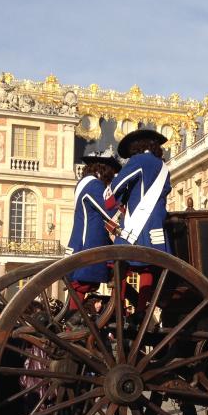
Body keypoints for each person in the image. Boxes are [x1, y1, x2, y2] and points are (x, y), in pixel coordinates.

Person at [104, 129, 171, 313]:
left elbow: (118, 185)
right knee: (148, 268)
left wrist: (110, 201)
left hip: (136, 224)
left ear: (136, 147)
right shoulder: (163, 167)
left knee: (121, 263)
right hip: (156, 225)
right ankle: (142, 311)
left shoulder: (139, 161)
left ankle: (117, 308)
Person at [66, 154, 121, 296]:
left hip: (82, 242)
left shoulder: (83, 184)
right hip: (91, 244)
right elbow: (110, 212)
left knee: (80, 287)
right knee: (122, 266)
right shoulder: (94, 185)